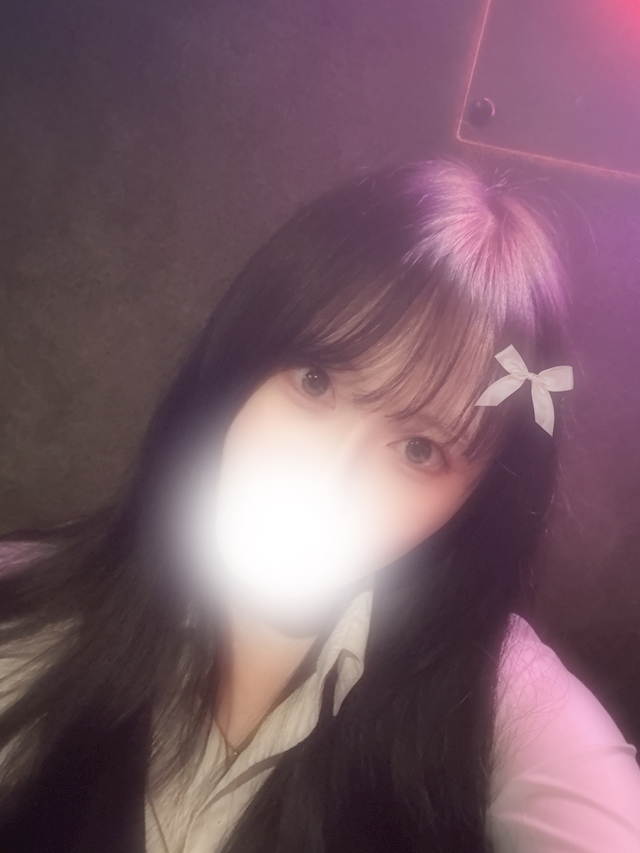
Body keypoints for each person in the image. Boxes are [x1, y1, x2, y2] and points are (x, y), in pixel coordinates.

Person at [0, 160, 638, 853]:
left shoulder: (495, 696)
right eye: (315, 381)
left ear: (475, 500)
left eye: (419, 449)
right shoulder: (33, 612)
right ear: (240, 367)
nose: (331, 478)